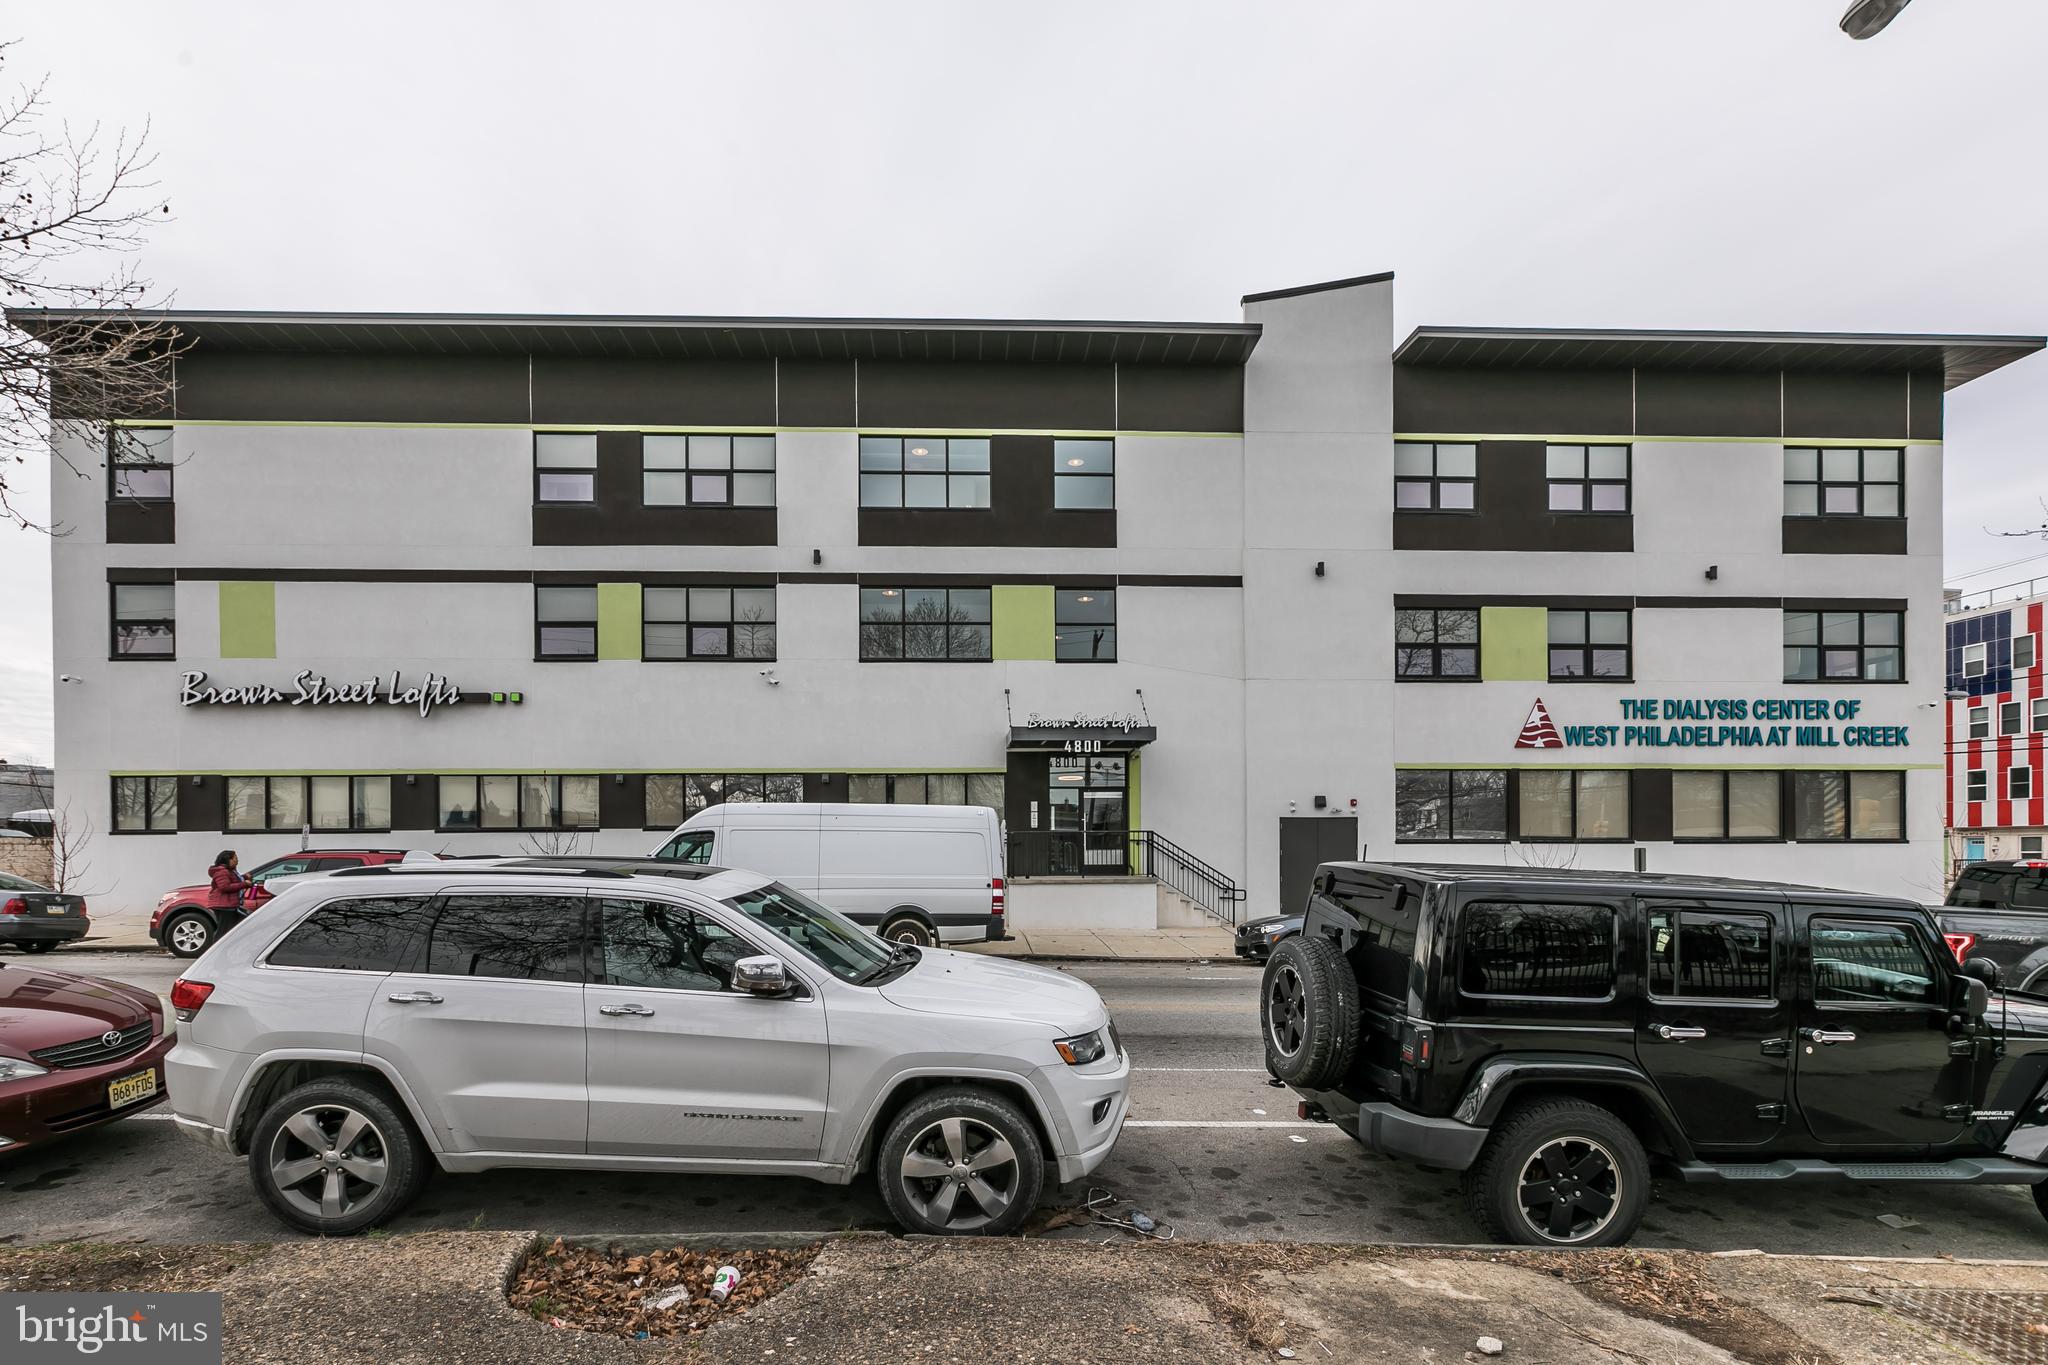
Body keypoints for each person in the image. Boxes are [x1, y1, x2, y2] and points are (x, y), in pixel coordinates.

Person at [205, 849, 253, 937]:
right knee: (224, 931)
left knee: (233, 929)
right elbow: (225, 887)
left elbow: (233, 880)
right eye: (235, 858)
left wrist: (245, 877)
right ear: (228, 860)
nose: (237, 860)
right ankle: (218, 945)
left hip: (229, 905)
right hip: (223, 906)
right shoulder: (222, 872)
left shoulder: (230, 871)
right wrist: (244, 884)